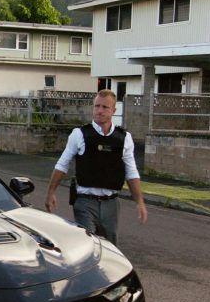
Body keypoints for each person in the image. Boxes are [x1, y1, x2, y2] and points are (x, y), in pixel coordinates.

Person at [45, 89, 147, 245]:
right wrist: (51, 191)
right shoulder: (79, 134)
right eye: (97, 106)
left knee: (110, 249)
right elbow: (62, 164)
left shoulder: (124, 138)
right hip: (85, 202)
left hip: (111, 204)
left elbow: (131, 171)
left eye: (105, 107)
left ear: (114, 110)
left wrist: (139, 201)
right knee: (88, 245)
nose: (99, 111)